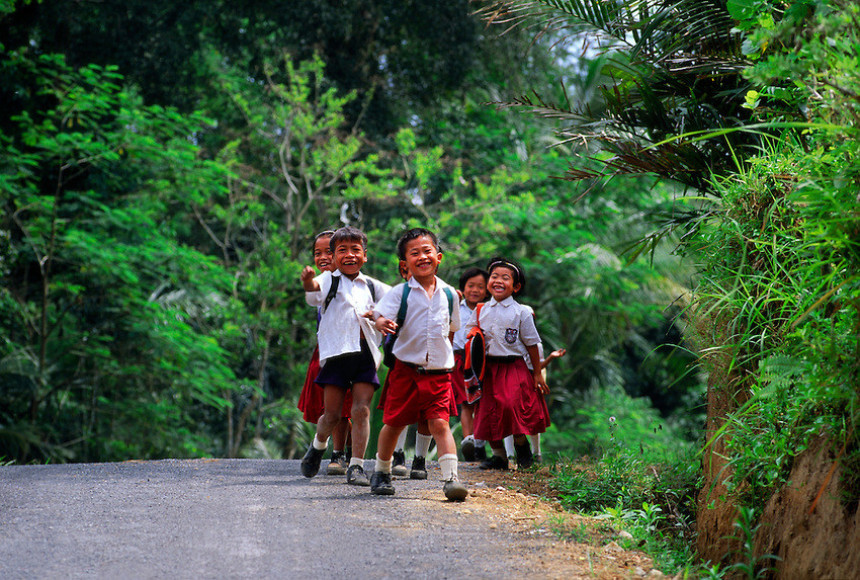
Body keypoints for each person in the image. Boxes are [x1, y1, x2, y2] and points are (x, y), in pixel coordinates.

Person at [369, 228, 468, 501]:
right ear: (405, 264)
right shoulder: (400, 293)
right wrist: (381, 323)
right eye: (415, 253)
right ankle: (381, 471)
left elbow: (451, 330)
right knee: (394, 423)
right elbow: (378, 316)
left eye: (427, 251)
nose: (422, 257)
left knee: (440, 424)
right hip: (405, 371)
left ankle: (451, 479)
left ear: (439, 257)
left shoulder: (450, 295)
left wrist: (442, 357)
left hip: (439, 374)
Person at [299, 226, 390, 486]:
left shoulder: (372, 285)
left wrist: (380, 318)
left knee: (361, 411)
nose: (349, 255)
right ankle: (318, 446)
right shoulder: (330, 279)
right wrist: (308, 281)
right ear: (334, 256)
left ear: (365, 255)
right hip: (337, 356)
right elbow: (314, 292)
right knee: (332, 415)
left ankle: (357, 466)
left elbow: (396, 299)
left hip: (364, 356)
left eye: (355, 249)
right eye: (342, 250)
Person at [465, 257, 550, 471]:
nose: (498, 281)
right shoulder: (480, 310)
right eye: (494, 276)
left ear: (516, 286)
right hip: (488, 369)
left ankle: (523, 451)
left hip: (514, 367)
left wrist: (537, 373)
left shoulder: (521, 312)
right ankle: (499, 457)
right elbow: (472, 333)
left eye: (505, 277)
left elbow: (532, 344)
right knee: (486, 411)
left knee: (511, 406)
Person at [296, 230, 352, 476]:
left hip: (350, 350)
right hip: (326, 350)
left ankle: (340, 454)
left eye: (328, 251)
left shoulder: (353, 280)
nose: (322, 257)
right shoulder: (322, 282)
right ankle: (326, 446)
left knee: (346, 407)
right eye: (317, 253)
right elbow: (313, 294)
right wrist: (308, 281)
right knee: (330, 406)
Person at [451, 267, 489, 462]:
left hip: (481, 361)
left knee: (481, 402)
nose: (475, 290)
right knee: (466, 402)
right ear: (463, 288)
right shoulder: (455, 306)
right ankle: (469, 441)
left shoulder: (488, 309)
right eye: (471, 286)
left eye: (480, 287)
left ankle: (481, 443)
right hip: (459, 359)